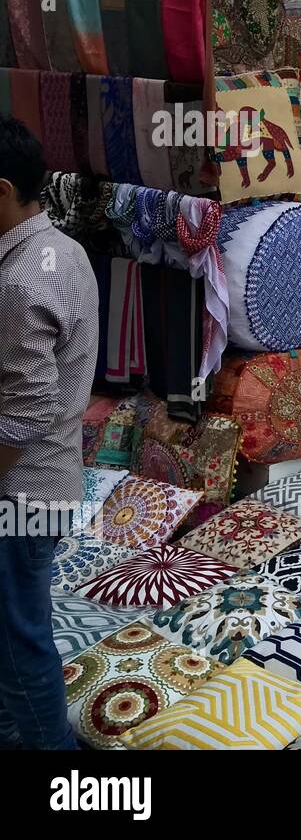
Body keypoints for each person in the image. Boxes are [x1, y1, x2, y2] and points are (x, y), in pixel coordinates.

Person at [0, 117, 98, 750]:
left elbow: (24, 412)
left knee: (19, 639)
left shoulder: (20, 280)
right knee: (15, 628)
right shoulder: (65, 250)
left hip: (21, 489)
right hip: (53, 478)